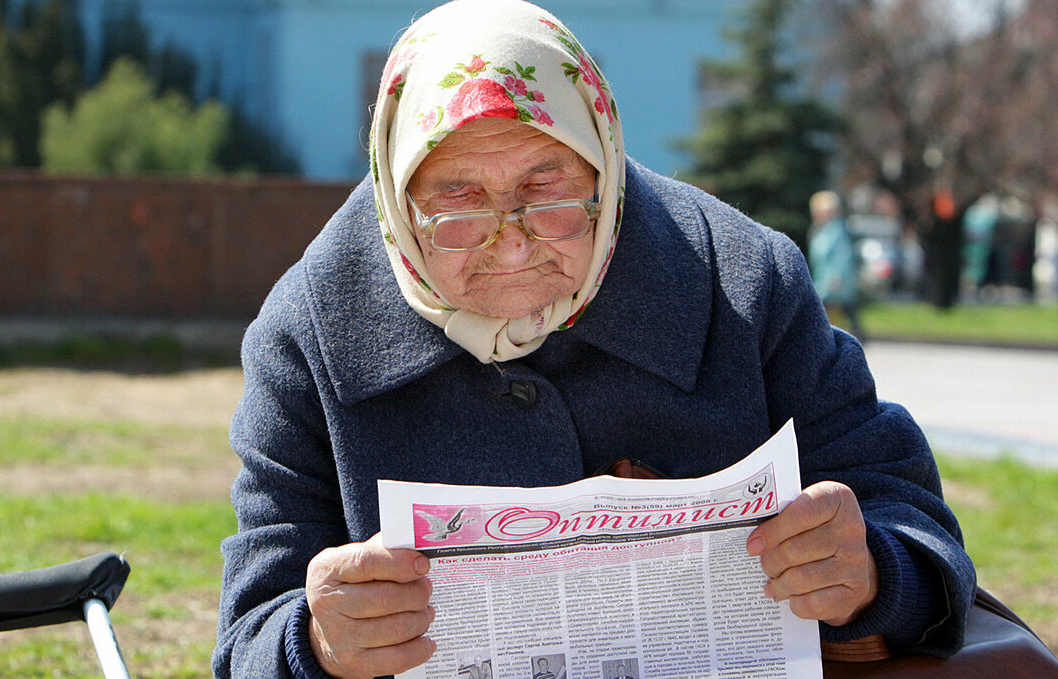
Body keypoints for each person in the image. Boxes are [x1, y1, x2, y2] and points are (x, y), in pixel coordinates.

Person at [213, 2, 975, 679]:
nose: (512, 244)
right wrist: (316, 641)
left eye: (546, 188)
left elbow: (911, 519)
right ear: (398, 199)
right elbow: (249, 633)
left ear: (602, 168)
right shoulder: (308, 334)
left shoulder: (744, 281)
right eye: (458, 199)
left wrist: (871, 570)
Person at [807, 190, 865, 343]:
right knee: (839, 309)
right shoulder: (820, 230)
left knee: (833, 307)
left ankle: (853, 337)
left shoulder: (837, 230)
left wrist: (837, 276)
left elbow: (843, 255)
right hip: (823, 277)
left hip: (833, 279)